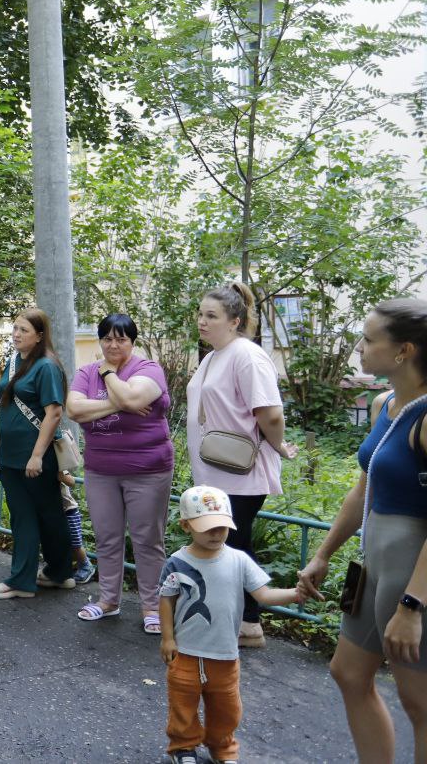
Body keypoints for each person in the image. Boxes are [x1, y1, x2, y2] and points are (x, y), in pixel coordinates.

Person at [298, 299, 427, 763]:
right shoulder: (384, 404)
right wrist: (324, 553)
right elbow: (364, 489)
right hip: (376, 564)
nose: (359, 347)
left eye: (369, 339)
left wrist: (412, 605)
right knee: (350, 674)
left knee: (421, 705)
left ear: (403, 351)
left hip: (414, 577)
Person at [160, 485, 304, 764]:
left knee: (226, 709)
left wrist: (295, 594)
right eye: (208, 527)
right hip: (186, 653)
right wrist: (167, 638)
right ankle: (183, 746)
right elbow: (166, 600)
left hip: (225, 654)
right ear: (186, 525)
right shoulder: (176, 563)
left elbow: (263, 595)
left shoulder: (239, 560)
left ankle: (223, 749)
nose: (216, 533)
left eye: (222, 527)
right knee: (183, 705)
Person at [187, 283, 297, 647]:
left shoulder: (246, 355)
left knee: (234, 547)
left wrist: (278, 443)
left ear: (234, 321)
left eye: (211, 316)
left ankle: (249, 623)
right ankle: (239, 619)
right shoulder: (215, 355)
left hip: (240, 475)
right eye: (201, 314)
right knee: (229, 546)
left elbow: (270, 411)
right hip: (217, 473)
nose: (202, 322)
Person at [67, 312, 174, 633]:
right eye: (107, 338)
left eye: (121, 338)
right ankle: (108, 600)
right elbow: (73, 409)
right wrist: (120, 405)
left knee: (147, 539)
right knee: (107, 537)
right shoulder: (86, 372)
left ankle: (152, 607)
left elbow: (131, 396)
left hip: (148, 469)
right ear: (100, 340)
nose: (113, 344)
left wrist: (111, 376)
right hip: (101, 470)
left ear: (132, 341)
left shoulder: (147, 369)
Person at [0, 308, 75, 599]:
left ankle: (30, 579)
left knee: (41, 514)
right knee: (35, 514)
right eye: (15, 328)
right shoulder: (13, 362)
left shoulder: (46, 367)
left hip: (34, 456)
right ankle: (56, 574)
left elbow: (54, 413)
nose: (16, 334)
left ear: (39, 335)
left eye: (23, 330)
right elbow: (6, 403)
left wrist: (36, 456)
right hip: (11, 455)